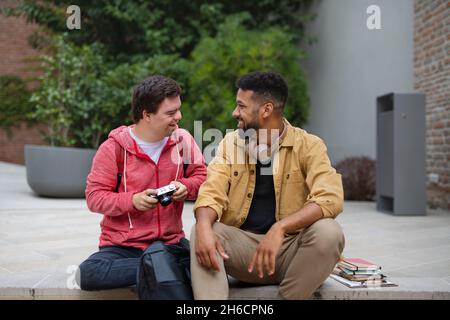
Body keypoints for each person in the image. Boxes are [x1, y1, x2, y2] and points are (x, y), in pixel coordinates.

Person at [191, 71, 345, 300]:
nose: (235, 113)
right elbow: (211, 191)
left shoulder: (309, 145)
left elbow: (330, 198)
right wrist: (203, 226)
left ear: (266, 110)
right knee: (202, 230)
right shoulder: (230, 144)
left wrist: (279, 228)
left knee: (329, 232)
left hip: (290, 253)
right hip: (243, 253)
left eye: (241, 106)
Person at [78, 75, 206, 297]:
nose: (179, 117)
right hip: (123, 248)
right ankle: (162, 266)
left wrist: (186, 186)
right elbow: (94, 197)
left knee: (209, 264)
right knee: (88, 273)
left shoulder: (183, 140)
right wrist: (132, 200)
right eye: (170, 113)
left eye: (178, 110)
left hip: (170, 243)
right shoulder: (113, 148)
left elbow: (202, 176)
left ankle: (160, 265)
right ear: (146, 114)